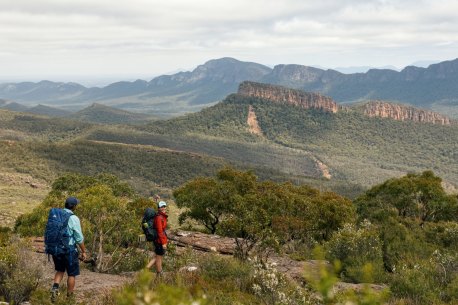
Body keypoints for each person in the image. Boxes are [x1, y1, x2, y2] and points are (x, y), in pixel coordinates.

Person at [50, 197, 87, 302]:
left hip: (56, 248)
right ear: (74, 206)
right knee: (71, 274)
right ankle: (69, 298)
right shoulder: (74, 218)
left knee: (60, 270)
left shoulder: (57, 215)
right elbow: (79, 238)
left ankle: (55, 288)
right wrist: (84, 251)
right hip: (69, 250)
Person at [146, 200, 168, 274]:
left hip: (159, 240)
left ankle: (146, 270)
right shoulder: (159, 218)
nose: (163, 208)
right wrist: (163, 243)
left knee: (157, 257)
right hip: (159, 241)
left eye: (164, 206)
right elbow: (160, 231)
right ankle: (159, 273)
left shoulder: (162, 216)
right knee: (159, 257)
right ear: (158, 208)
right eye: (161, 207)